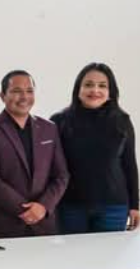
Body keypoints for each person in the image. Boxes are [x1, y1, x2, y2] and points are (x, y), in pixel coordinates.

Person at [0, 70, 70, 239]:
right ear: (2, 96)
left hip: (43, 223)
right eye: (16, 91)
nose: (24, 97)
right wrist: (25, 210)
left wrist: (43, 207)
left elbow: (61, 175)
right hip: (3, 223)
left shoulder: (49, 128)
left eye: (29, 91)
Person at [51, 62, 139, 233]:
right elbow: (51, 166)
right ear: (78, 89)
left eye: (102, 86)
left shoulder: (122, 121)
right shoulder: (59, 121)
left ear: (110, 92)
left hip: (113, 208)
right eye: (88, 85)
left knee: (108, 251)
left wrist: (135, 205)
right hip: (70, 206)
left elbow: (130, 165)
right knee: (74, 251)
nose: (95, 90)